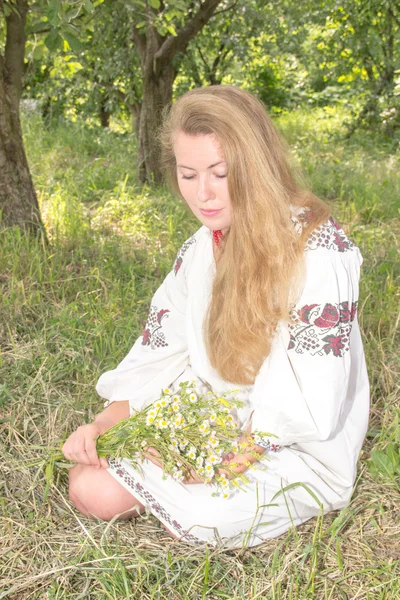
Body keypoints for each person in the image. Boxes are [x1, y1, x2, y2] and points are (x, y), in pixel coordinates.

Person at [62, 85, 370, 548]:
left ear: (255, 166)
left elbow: (312, 397)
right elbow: (161, 349)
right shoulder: (200, 249)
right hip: (211, 414)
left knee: (203, 517)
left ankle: (189, 495)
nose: (202, 194)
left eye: (220, 173)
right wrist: (102, 425)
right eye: (188, 175)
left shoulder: (319, 252)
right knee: (89, 488)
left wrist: (219, 462)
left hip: (293, 443)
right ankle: (171, 485)